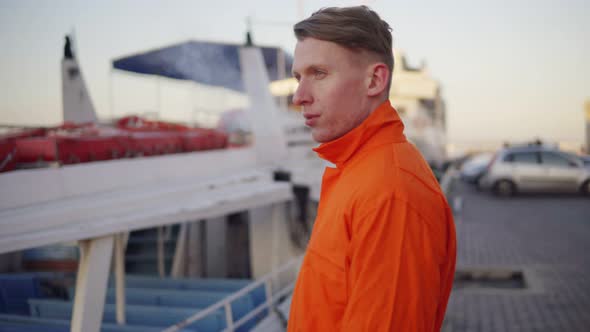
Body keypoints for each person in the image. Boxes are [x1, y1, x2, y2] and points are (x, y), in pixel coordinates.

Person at [287, 6, 456, 331]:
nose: (299, 97)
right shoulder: (356, 171)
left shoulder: (390, 193)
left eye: (318, 74)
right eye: (298, 77)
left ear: (375, 80)